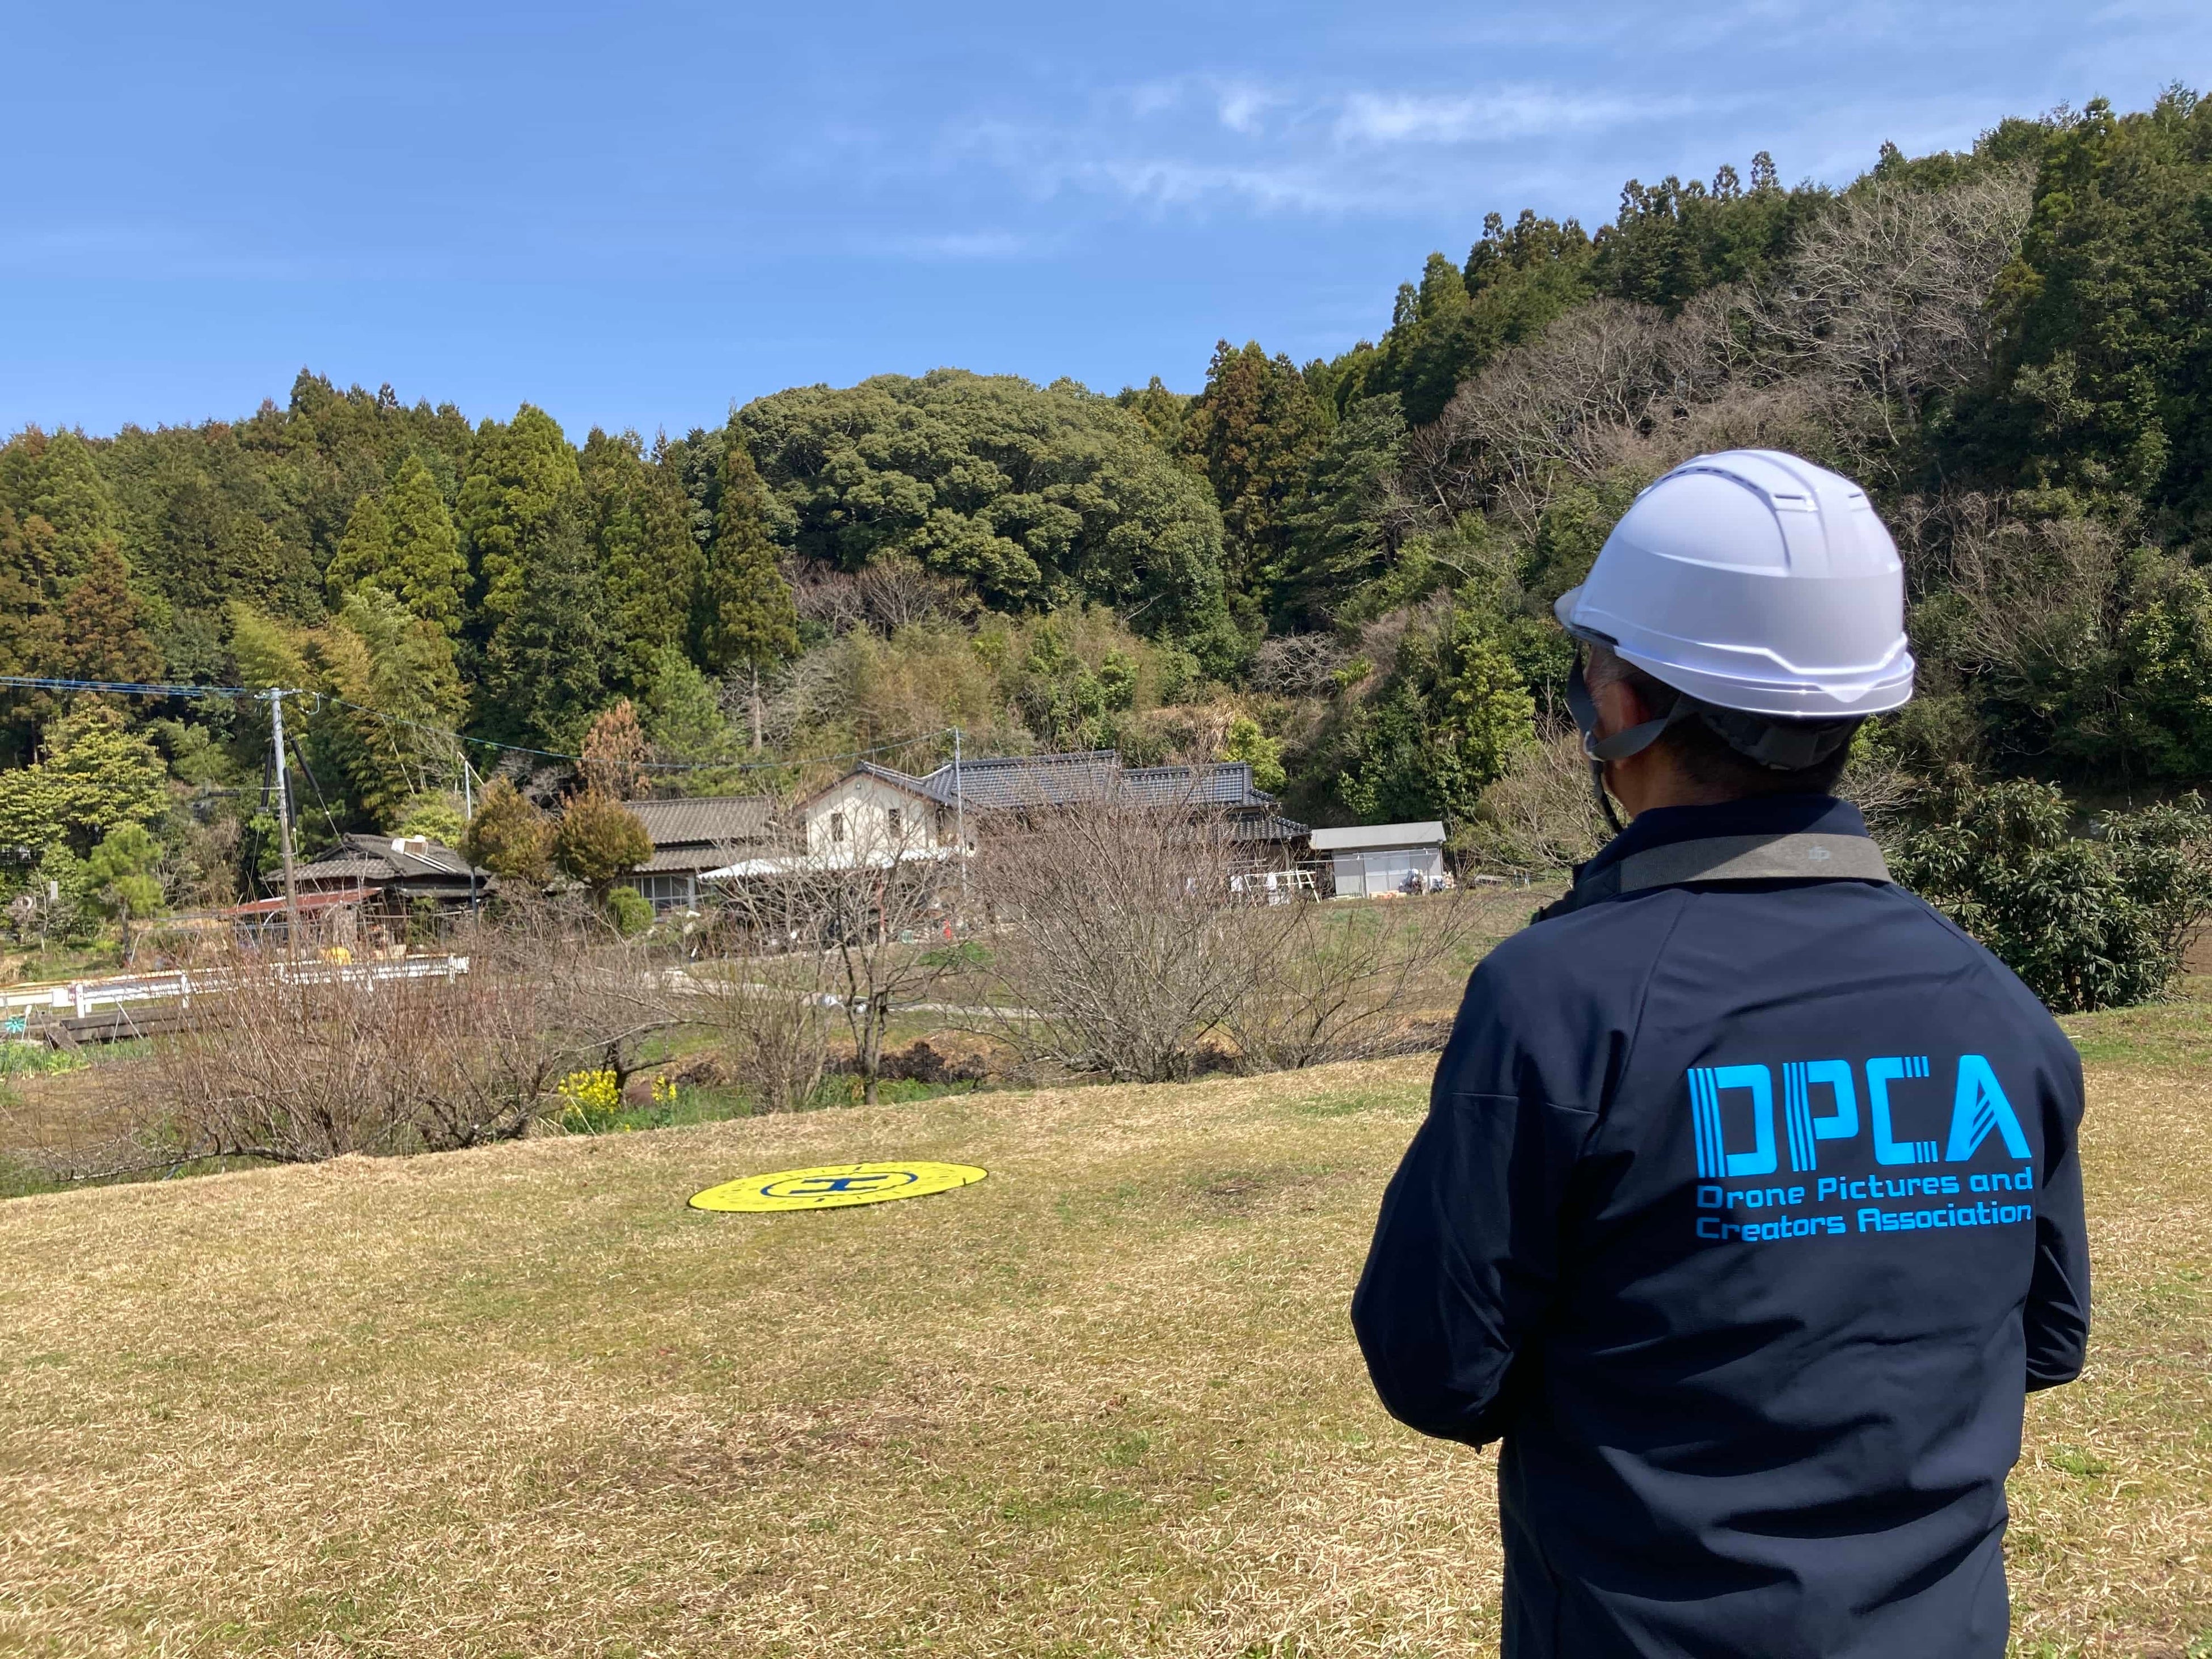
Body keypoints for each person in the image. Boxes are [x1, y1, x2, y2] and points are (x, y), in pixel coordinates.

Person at [1350, 449, 2090, 1659]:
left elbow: (1436, 1369)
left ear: (1624, 707)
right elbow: (2045, 1341)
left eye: (1591, 663)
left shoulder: (1555, 1001)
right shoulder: (1999, 1008)